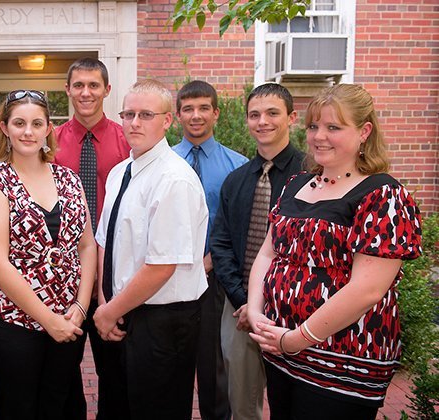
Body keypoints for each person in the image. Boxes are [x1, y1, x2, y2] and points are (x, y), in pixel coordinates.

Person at [247, 84, 422, 419]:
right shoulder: (297, 183)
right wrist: (257, 314)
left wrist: (298, 338)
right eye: (314, 126)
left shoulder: (382, 194)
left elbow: (368, 289)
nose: (318, 136)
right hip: (281, 351)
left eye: (333, 127)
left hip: (343, 363)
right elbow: (269, 254)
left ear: (364, 132)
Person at [0, 90, 97, 419]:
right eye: (19, 123)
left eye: (36, 123)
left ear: (48, 129)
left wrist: (81, 307)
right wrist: (48, 320)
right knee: (21, 406)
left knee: (61, 402)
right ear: (5, 128)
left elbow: (86, 246)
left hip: (69, 318)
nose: (28, 131)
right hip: (15, 322)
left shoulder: (69, 179)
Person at [93, 79, 208, 419]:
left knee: (156, 410)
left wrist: (111, 310)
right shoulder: (120, 172)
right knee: (117, 406)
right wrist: (105, 301)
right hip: (121, 311)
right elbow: (105, 240)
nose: (134, 123)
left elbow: (162, 266)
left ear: (168, 120)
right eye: (128, 114)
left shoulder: (174, 179)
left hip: (163, 323)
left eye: (145, 114)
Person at [210, 83, 304, 420]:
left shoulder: (311, 177)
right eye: (254, 114)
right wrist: (244, 301)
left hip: (295, 313)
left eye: (272, 113)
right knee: (243, 406)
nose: (262, 121)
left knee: (293, 404)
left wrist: (269, 302)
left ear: (292, 117)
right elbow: (220, 245)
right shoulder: (235, 181)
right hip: (239, 311)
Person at [53, 57, 130, 419]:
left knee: (114, 373)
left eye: (94, 85)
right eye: (78, 85)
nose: (86, 92)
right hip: (63, 275)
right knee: (63, 375)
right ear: (67, 90)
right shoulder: (49, 143)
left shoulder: (126, 140)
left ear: (107, 90)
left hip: (114, 273)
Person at [172, 80, 247, 420]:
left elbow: (236, 229)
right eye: (188, 108)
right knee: (171, 367)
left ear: (216, 113)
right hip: (166, 279)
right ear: (177, 116)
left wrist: (208, 262)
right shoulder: (163, 162)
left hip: (214, 280)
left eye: (204, 108)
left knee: (215, 369)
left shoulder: (237, 166)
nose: (196, 115)